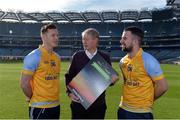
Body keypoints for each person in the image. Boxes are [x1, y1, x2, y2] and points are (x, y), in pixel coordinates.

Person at [65, 28, 118, 119]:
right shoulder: (77, 56)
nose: (84, 42)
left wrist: (112, 80)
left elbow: (109, 79)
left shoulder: (104, 57)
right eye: (83, 39)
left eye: (87, 39)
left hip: (98, 106)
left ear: (95, 40)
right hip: (79, 103)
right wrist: (69, 93)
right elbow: (69, 76)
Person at [118, 26, 168, 119]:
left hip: (141, 113)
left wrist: (149, 100)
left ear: (135, 41)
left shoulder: (148, 60)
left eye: (124, 38)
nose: (121, 41)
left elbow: (163, 87)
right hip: (123, 109)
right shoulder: (122, 61)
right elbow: (126, 82)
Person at [20, 23, 61, 119]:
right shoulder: (34, 56)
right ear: (44, 37)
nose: (56, 38)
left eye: (57, 35)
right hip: (39, 107)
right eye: (53, 35)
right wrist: (31, 97)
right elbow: (24, 84)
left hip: (56, 106)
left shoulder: (57, 57)